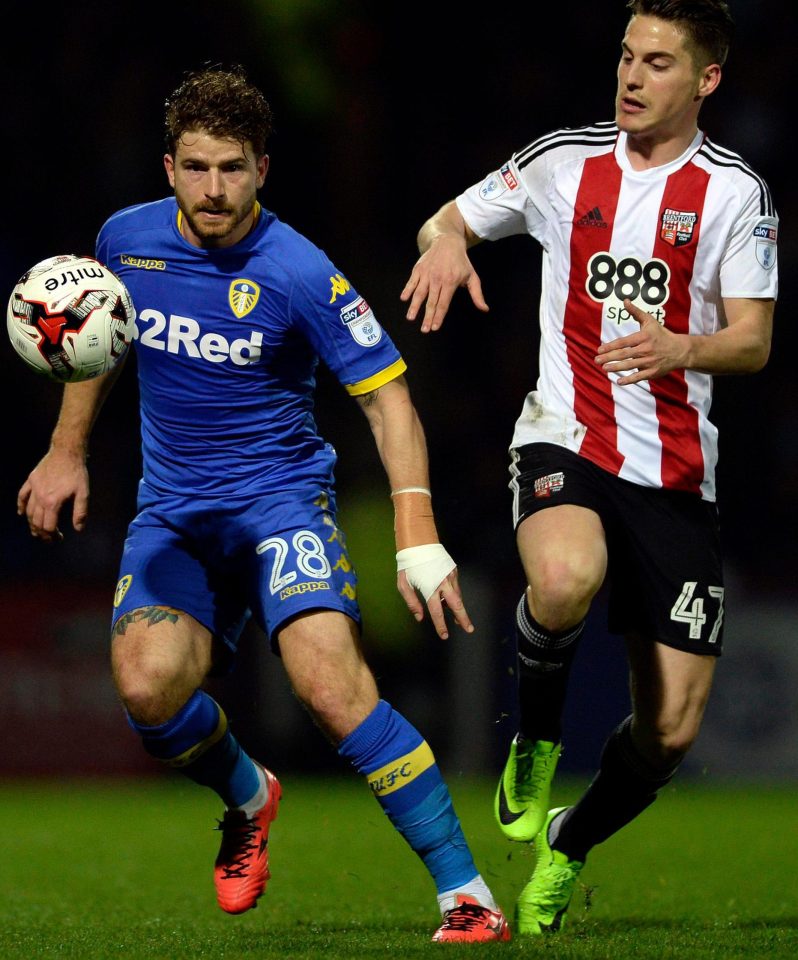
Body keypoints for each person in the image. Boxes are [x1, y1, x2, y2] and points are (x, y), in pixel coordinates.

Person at [17, 65, 511, 943]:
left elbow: (388, 399)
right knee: (147, 694)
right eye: (198, 167)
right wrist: (64, 452)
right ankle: (250, 792)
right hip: (173, 512)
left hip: (280, 506)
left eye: (234, 169)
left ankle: (465, 893)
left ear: (263, 169)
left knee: (330, 688)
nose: (215, 189)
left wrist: (416, 529)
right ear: (168, 166)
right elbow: (95, 344)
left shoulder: (298, 272)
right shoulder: (121, 241)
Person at [401, 0, 776, 936]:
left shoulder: (734, 192)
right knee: (564, 581)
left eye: (657, 61)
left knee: (671, 731)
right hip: (564, 432)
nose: (632, 76)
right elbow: (442, 222)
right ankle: (534, 738)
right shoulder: (565, 160)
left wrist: (680, 349)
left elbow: (754, 342)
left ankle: (569, 842)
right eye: (625, 56)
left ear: (706, 80)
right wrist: (447, 241)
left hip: (678, 474)